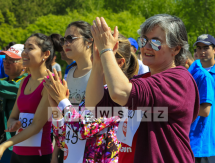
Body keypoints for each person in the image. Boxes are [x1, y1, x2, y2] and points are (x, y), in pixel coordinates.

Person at [86, 15, 199, 163]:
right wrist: (98, 62)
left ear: (176, 49)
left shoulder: (179, 79)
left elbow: (120, 92)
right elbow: (93, 106)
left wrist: (106, 50)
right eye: (144, 40)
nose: (146, 47)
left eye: (155, 42)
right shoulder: (141, 81)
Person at [44, 32, 139, 163]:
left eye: (99, 55)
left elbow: (83, 128)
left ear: (119, 62)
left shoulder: (119, 97)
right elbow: (63, 141)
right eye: (93, 55)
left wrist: (63, 102)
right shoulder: (95, 95)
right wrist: (57, 112)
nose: (93, 60)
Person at [0, 33, 56, 163]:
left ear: (46, 54)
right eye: (24, 48)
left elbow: (36, 125)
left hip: (38, 155)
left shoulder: (50, 82)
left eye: (30, 48)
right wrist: (13, 123)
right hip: (17, 152)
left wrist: (4, 145)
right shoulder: (25, 81)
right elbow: (13, 116)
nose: (24, 52)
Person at [189, 34, 215, 163]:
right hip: (192, 138)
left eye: (206, 47)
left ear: (214, 49)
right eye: (198, 48)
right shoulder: (192, 72)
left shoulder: (204, 76)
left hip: (208, 143)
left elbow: (205, 111)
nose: (202, 51)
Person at [0, 44, 28, 163]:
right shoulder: (3, 81)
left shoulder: (26, 82)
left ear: (25, 64)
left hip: (18, 142)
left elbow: (10, 88)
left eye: (12, 60)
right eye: (6, 59)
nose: (6, 63)